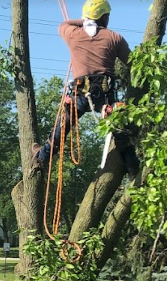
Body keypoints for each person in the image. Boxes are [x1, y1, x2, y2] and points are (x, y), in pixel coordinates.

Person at [33, 0, 139, 176]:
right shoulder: (114, 38)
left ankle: (42, 158)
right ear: (103, 17)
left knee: (61, 129)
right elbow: (133, 63)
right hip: (106, 96)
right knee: (121, 134)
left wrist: (85, 21)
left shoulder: (73, 34)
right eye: (107, 16)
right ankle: (133, 169)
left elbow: (63, 24)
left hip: (80, 94)